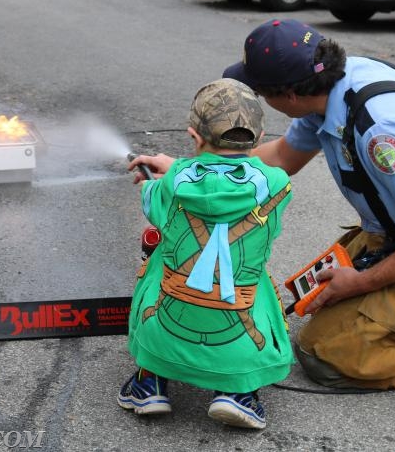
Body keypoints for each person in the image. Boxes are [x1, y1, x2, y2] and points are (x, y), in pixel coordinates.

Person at [130, 19, 395, 390]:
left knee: (328, 356)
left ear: (287, 94)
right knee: (316, 306)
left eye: (261, 92)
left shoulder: (382, 132)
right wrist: (189, 170)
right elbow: (284, 157)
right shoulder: (332, 86)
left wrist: (360, 282)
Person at [118, 78, 294, 429]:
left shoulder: (173, 182)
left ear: (194, 137)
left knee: (155, 262)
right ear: (259, 139)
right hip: (239, 339)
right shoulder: (277, 185)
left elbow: (157, 196)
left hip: (166, 328)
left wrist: (161, 176)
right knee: (257, 279)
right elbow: (233, 180)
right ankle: (237, 393)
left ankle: (149, 383)